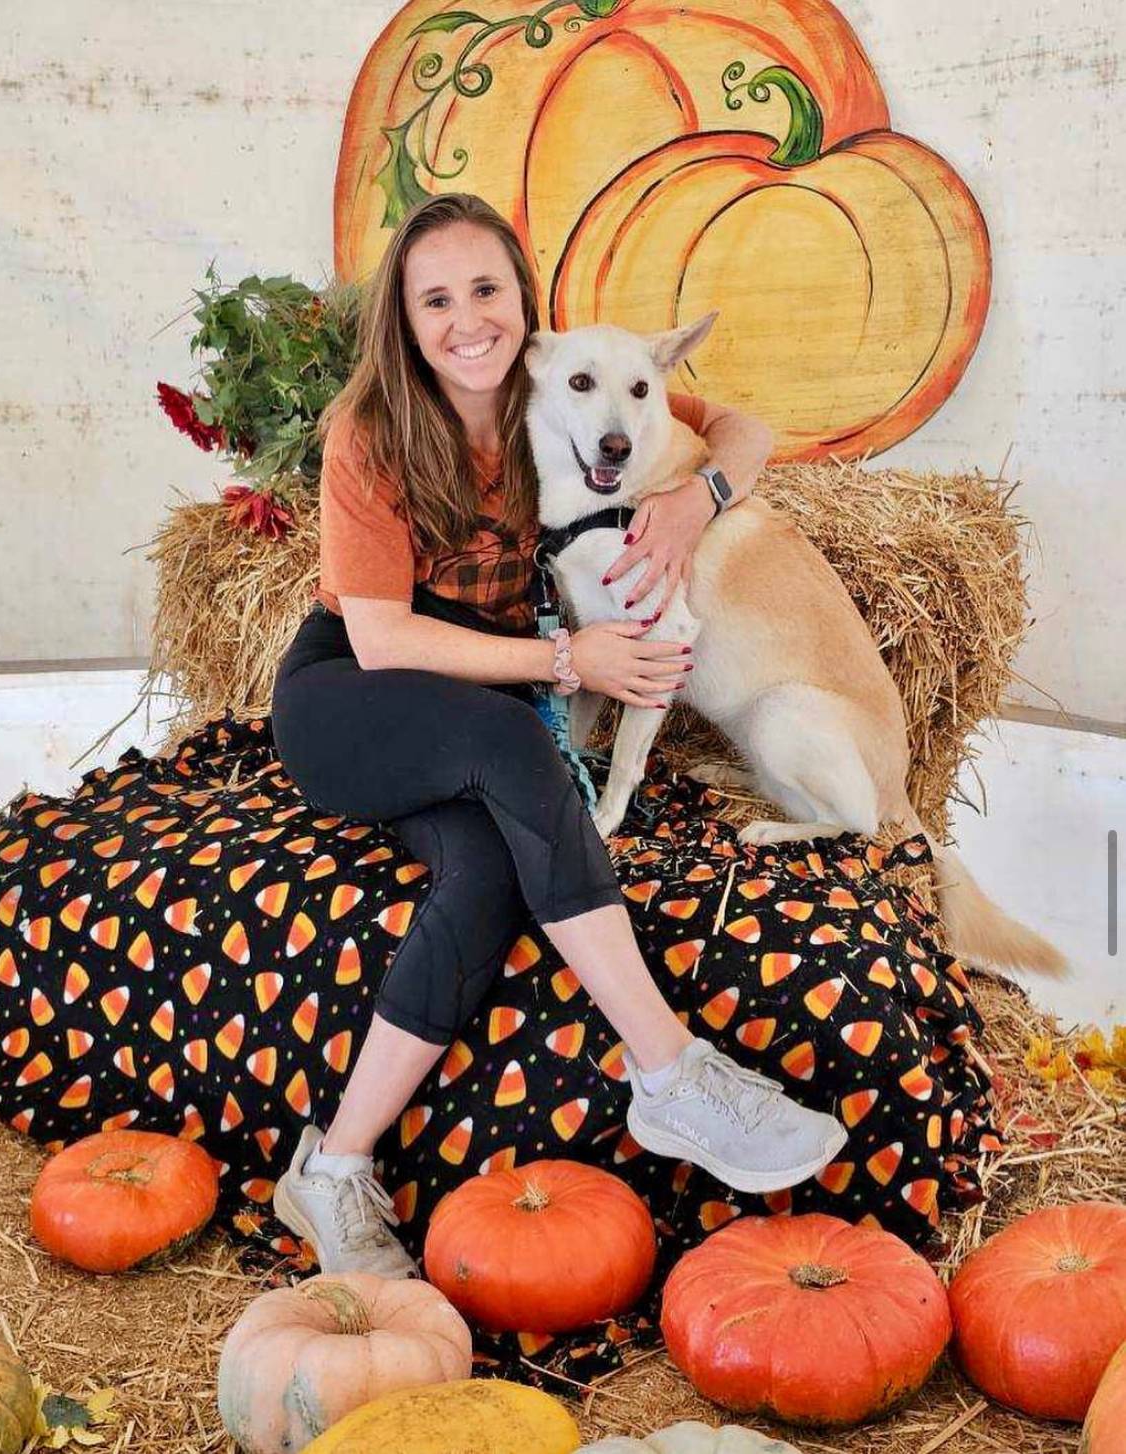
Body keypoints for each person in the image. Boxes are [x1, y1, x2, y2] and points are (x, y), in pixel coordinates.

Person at [269, 192, 845, 1278]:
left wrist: (695, 500)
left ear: (522, 307)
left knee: (486, 872)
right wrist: (568, 662)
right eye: (435, 299)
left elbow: (744, 430)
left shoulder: (563, 388)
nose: (466, 319)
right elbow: (387, 638)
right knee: (516, 743)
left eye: (485, 289)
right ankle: (670, 1067)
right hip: (351, 692)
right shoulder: (375, 434)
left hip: (468, 712)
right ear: (406, 317)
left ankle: (334, 1167)